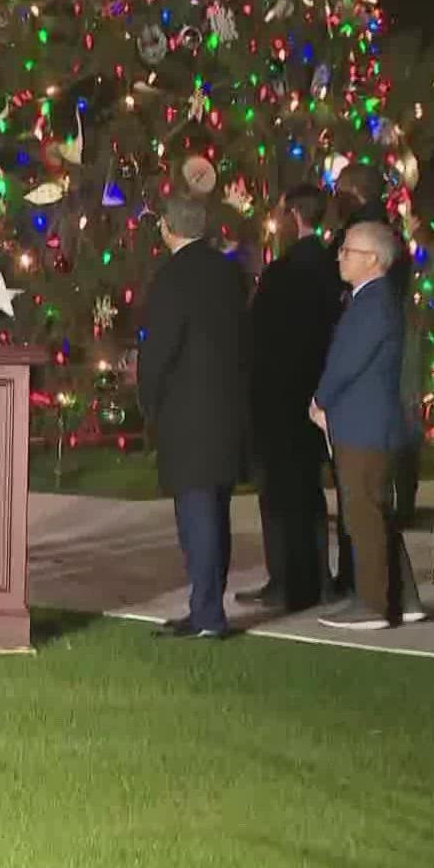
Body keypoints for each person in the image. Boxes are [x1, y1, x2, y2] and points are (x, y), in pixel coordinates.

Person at [139, 198, 249, 639]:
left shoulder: (171, 277)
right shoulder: (229, 272)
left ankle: (207, 614)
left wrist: (149, 398)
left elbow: (160, 347)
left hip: (188, 412)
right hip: (227, 405)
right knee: (215, 511)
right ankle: (206, 604)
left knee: (197, 513)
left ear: (167, 228)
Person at [312, 222, 423, 630]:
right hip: (365, 422)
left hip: (363, 425)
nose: (340, 256)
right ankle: (404, 599)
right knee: (375, 511)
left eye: (348, 250)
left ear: (373, 259)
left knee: (363, 515)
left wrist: (320, 398)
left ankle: (373, 605)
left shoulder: (372, 304)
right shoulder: (374, 301)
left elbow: (348, 361)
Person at [238, 184, 344, 613]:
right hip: (316, 394)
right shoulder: (331, 268)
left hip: (281, 398)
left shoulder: (284, 273)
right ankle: (318, 578)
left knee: (280, 496)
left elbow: (260, 337)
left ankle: (285, 581)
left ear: (293, 216)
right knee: (310, 493)